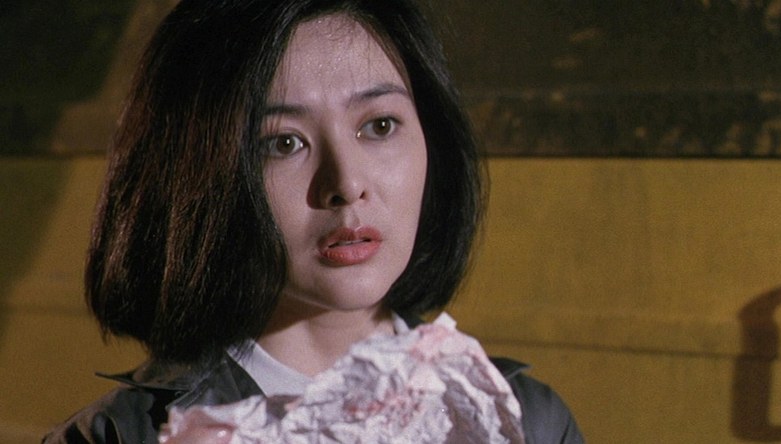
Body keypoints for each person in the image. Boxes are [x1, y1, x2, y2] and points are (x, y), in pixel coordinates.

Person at [43, 1, 584, 443]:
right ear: (201, 175)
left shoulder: (524, 421)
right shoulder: (125, 436)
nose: (346, 183)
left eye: (379, 126)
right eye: (284, 143)